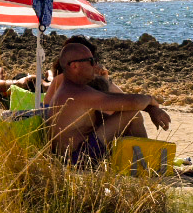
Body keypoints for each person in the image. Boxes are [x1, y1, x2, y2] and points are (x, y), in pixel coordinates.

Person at [44, 37, 169, 166]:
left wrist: (150, 108)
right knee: (132, 114)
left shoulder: (74, 88)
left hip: (78, 153)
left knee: (126, 114)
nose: (95, 65)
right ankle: (148, 162)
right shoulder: (76, 92)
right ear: (74, 66)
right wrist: (150, 100)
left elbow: (118, 100)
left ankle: (144, 160)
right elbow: (134, 103)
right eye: (91, 61)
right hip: (78, 159)